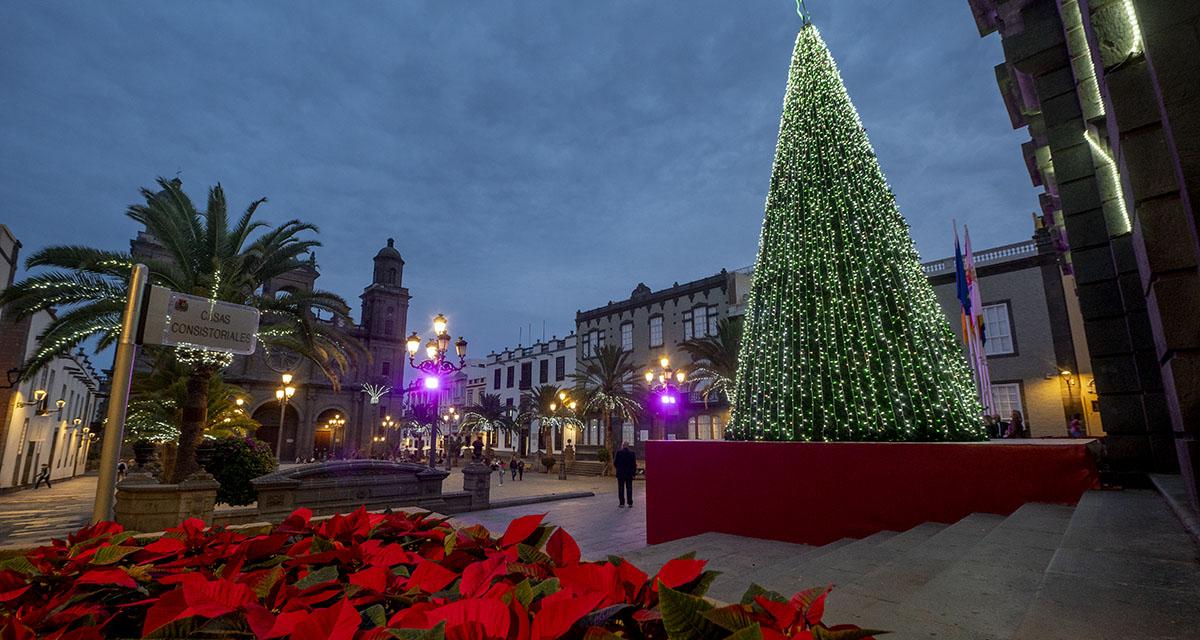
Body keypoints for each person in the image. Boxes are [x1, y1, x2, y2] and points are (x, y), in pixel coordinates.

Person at [613, 441, 637, 508]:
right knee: (629, 488)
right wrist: (634, 474)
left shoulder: (619, 453)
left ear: (622, 445)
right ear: (628, 446)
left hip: (621, 474)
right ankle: (630, 503)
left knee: (621, 488)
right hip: (629, 474)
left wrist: (619, 469)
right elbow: (634, 465)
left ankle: (622, 503)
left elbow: (615, 463)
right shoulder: (632, 453)